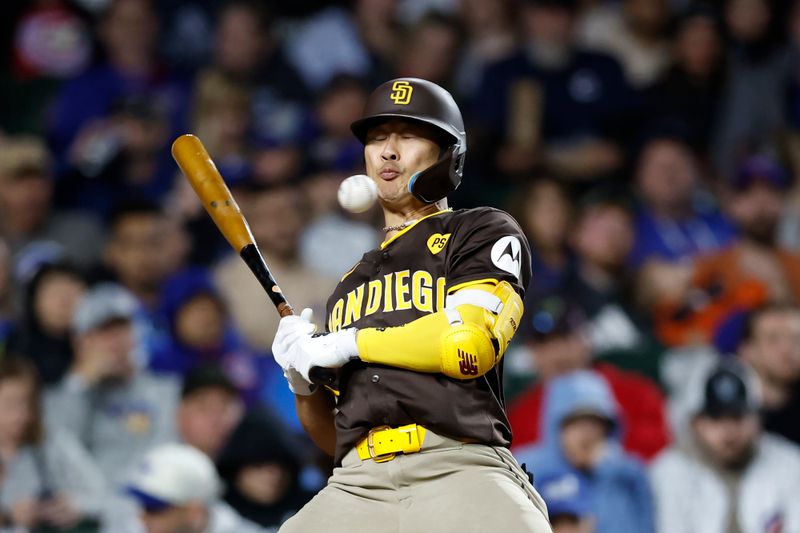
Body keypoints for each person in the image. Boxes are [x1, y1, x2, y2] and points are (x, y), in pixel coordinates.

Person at [272, 77, 551, 532]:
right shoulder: (347, 286)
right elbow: (336, 438)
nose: (388, 150)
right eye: (378, 137)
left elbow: (468, 347)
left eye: (409, 134)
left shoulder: (480, 230)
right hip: (357, 484)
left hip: (459, 466)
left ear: (448, 153)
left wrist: (348, 343)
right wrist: (302, 381)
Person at [44, 283, 179, 485]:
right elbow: (56, 458)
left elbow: (170, 455)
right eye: (104, 332)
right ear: (80, 342)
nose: (116, 342)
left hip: (153, 502)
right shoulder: (60, 398)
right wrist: (80, 382)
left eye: (123, 329)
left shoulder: (167, 390)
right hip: (89, 507)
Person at [650, 361, 800, 533]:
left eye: (738, 416)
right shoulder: (668, 472)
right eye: (716, 418)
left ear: (757, 418)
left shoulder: (790, 463)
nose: (728, 431)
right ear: (695, 423)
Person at [515, 371, 656, 533]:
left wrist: (612, 470)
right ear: (557, 427)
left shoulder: (626, 474)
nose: (587, 434)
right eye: (577, 423)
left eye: (596, 424)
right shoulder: (527, 468)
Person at [0, 356, 106, 532]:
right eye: (11, 403)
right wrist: (8, 516)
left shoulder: (51, 443)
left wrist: (75, 505)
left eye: (28, 402)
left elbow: (102, 493)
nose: (23, 414)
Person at [124, 443, 266, 533]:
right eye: (142, 505)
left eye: (153, 509)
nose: (141, 518)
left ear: (194, 513)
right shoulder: (134, 528)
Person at [737, 303, 800, 445]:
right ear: (747, 350)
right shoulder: (729, 413)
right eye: (773, 339)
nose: (787, 349)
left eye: (796, 339)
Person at [175, 366, 244, 461]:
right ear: (181, 412)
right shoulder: (161, 465)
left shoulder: (239, 468)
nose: (215, 419)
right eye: (204, 407)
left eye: (223, 408)